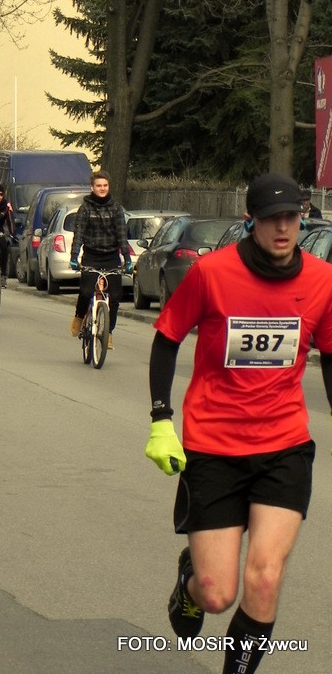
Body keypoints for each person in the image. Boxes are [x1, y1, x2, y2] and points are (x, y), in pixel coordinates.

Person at [144, 173, 332, 674]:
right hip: (214, 447)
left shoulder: (322, 280)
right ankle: (189, 583)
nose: (283, 228)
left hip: (284, 446)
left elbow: (331, 355)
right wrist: (161, 417)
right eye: (272, 219)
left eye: (291, 217)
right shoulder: (212, 273)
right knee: (217, 593)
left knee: (265, 577)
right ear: (251, 221)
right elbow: (167, 338)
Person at [69, 169, 131, 348]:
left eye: (105, 185)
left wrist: (127, 259)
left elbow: (122, 235)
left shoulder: (116, 208)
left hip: (111, 257)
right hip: (91, 256)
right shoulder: (85, 208)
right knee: (86, 292)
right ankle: (79, 316)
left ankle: (108, 332)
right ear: (92, 187)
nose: (102, 188)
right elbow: (79, 234)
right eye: (98, 186)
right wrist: (74, 257)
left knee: (116, 297)